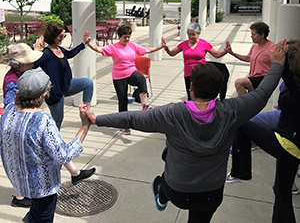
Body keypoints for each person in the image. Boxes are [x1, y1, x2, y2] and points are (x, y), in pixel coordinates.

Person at [79, 39, 287, 223]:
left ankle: (162, 195)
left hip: (177, 190)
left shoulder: (173, 113)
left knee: (166, 161)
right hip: (211, 194)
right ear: (218, 90)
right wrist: (277, 65)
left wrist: (96, 119)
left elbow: (132, 118)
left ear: (191, 88)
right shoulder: (233, 111)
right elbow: (262, 93)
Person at [0, 68, 91, 223]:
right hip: (42, 188)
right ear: (44, 94)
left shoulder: (8, 110)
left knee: (36, 211)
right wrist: (84, 127)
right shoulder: (42, 120)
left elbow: (9, 92)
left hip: (18, 181)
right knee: (43, 217)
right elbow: (63, 155)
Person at [226, 39, 300, 223]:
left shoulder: (293, 81)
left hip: (288, 143)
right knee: (282, 192)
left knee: (239, 121)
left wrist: (281, 67)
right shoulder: (293, 78)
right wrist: (279, 67)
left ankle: (241, 171)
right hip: (289, 143)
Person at [34, 22, 95, 184]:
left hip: (66, 86)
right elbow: (32, 66)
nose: (63, 38)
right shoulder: (45, 54)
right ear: (52, 36)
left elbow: (70, 53)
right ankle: (54, 159)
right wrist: (36, 51)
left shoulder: (60, 50)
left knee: (88, 83)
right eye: (61, 36)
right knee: (56, 128)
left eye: (64, 35)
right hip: (55, 95)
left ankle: (86, 113)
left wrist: (83, 44)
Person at [87, 24, 165, 135]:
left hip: (131, 72)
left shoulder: (132, 46)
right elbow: (98, 49)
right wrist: (88, 43)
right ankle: (124, 124)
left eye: (129, 37)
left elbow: (147, 50)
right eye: (125, 37)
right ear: (119, 36)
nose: (127, 39)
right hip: (119, 76)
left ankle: (144, 105)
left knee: (141, 79)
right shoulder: (113, 47)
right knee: (122, 100)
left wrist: (160, 47)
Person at [2, 43, 42, 208]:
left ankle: (22, 195)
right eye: (28, 61)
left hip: (20, 125)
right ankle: (20, 197)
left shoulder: (24, 74)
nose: (32, 64)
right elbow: (10, 105)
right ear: (17, 64)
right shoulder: (13, 82)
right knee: (19, 162)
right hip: (15, 127)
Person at [163, 22, 228, 100]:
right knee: (191, 95)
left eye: (193, 34)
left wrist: (226, 51)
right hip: (188, 73)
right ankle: (192, 110)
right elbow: (172, 53)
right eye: (189, 34)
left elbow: (216, 54)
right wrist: (166, 48)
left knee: (202, 95)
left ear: (198, 34)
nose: (190, 36)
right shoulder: (184, 44)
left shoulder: (204, 44)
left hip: (201, 73)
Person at [225, 21, 276, 96]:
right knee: (254, 103)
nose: (251, 36)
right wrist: (232, 53)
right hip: (253, 78)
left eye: (253, 34)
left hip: (263, 79)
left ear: (262, 35)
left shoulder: (272, 48)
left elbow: (278, 64)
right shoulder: (255, 46)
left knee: (239, 83)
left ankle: (243, 104)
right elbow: (247, 58)